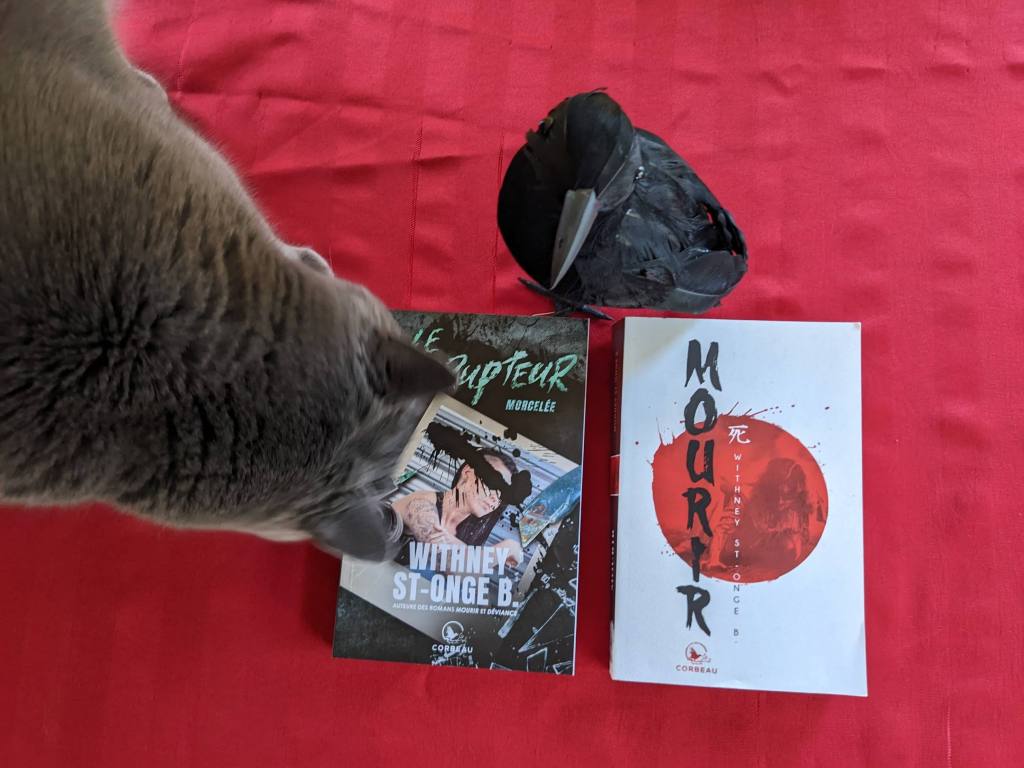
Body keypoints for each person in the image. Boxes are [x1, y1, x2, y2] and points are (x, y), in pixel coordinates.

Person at [392, 449, 524, 568]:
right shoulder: (421, 504)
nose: (496, 499)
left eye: (502, 495)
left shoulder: (470, 532)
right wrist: (507, 548)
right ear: (468, 472)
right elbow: (457, 566)